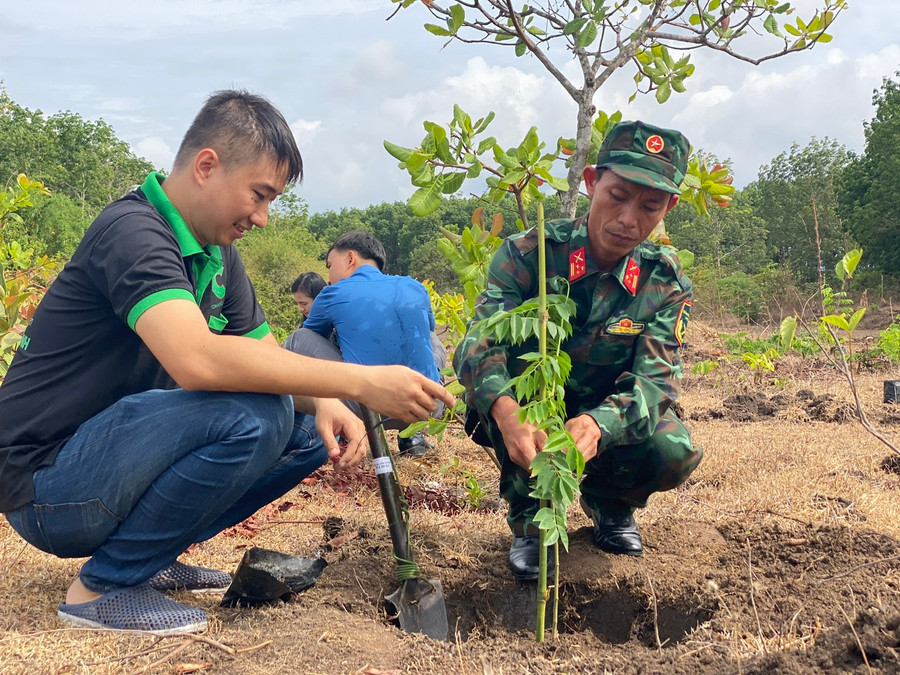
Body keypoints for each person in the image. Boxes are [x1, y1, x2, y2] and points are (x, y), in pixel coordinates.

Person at [0, 90, 452, 635]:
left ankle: (149, 554)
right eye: (259, 196)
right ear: (207, 166)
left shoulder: (218, 253)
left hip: (114, 462)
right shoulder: (133, 232)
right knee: (256, 416)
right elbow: (198, 360)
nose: (262, 218)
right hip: (47, 485)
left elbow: (266, 357)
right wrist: (362, 380)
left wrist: (333, 402)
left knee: (310, 428)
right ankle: (102, 587)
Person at [453, 120, 703, 582]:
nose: (629, 219)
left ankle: (611, 505)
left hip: (607, 414)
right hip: (531, 408)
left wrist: (597, 425)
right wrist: (507, 411)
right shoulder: (528, 255)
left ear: (669, 206)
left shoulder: (664, 281)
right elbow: (477, 345)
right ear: (591, 182)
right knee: (501, 399)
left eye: (650, 206)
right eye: (618, 196)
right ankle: (530, 522)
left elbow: (656, 382)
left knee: (671, 447)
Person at [285, 231, 445, 456]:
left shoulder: (332, 293)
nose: (329, 275)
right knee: (431, 337)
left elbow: (313, 340)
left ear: (350, 259)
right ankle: (412, 433)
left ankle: (299, 429)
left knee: (298, 338)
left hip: (370, 408)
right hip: (427, 406)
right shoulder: (414, 286)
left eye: (330, 265)